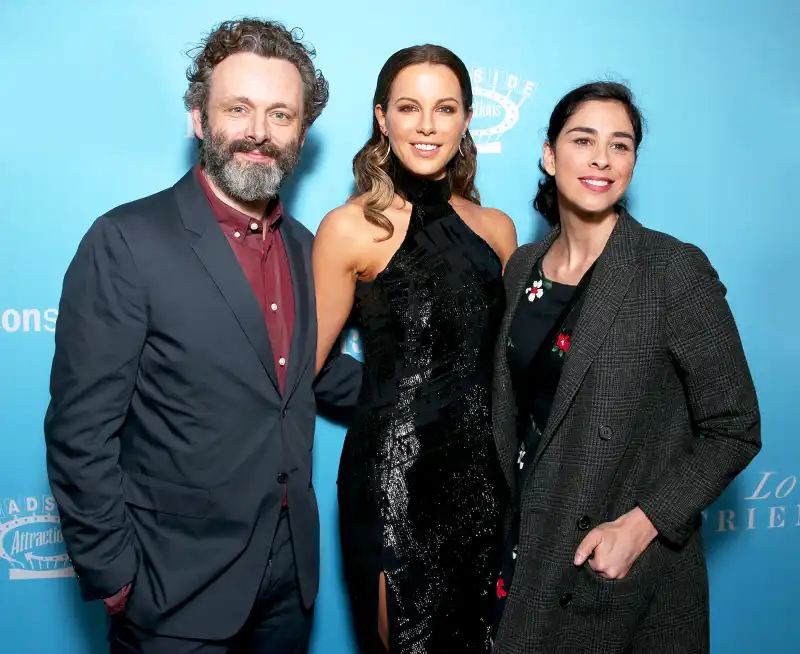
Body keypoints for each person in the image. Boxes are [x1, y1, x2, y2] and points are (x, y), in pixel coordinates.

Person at [44, 18, 360, 654]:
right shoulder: (128, 241)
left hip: (287, 586)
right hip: (170, 590)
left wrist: (444, 384)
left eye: (280, 115)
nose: (258, 134)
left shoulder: (312, 252)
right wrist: (112, 572)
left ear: (301, 133)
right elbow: (81, 430)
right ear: (198, 117)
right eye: (237, 109)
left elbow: (315, 373)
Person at [490, 81, 761, 653]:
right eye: (583, 139)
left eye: (621, 145)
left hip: (620, 572)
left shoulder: (672, 271)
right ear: (549, 154)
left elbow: (734, 426)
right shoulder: (522, 268)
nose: (601, 159)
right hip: (529, 548)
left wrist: (641, 526)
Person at [312, 45, 518, 653]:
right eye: (409, 107)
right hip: (394, 479)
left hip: (486, 483)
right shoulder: (350, 228)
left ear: (466, 119)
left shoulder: (497, 229)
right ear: (382, 118)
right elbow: (308, 365)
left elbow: (512, 360)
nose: (427, 125)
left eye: (445, 108)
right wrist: (400, 402)